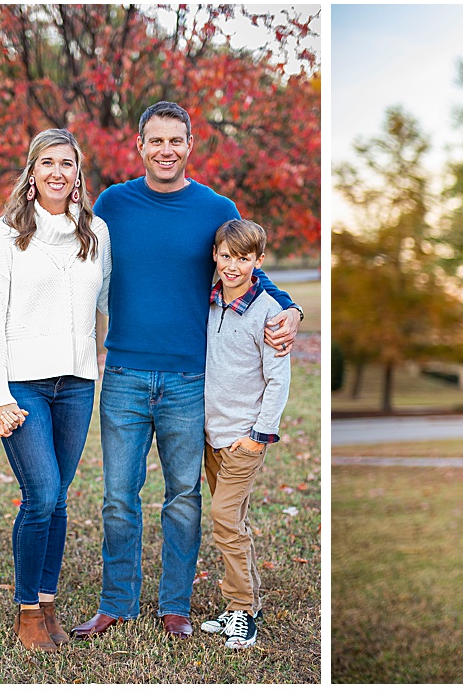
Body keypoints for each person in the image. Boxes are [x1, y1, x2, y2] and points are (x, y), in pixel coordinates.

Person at [77, 101, 301, 639]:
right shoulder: (113, 203)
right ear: (140, 145)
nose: (166, 150)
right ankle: (116, 603)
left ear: (190, 144)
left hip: (187, 382)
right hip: (125, 374)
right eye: (156, 140)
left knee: (183, 497)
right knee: (118, 498)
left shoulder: (214, 208)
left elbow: (248, 267)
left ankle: (175, 605)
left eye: (175, 140)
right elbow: (77, 263)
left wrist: (290, 307)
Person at [0, 128, 113, 652]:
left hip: (78, 383)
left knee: (59, 500)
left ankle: (49, 603)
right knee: (41, 495)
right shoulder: (5, 233)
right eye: (47, 162)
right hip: (24, 388)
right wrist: (0, 397)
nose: (58, 172)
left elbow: (109, 303)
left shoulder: (94, 231)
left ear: (78, 174)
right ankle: (28, 613)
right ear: (32, 173)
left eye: (68, 163)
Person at [193, 219, 292, 649]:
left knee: (224, 521)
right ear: (215, 255)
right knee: (236, 522)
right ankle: (248, 604)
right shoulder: (209, 301)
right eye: (226, 256)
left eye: (244, 258)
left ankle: (240, 612)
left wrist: (258, 435)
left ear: (259, 261)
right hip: (211, 435)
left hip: (243, 439)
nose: (233, 266)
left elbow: (278, 381)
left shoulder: (269, 312)